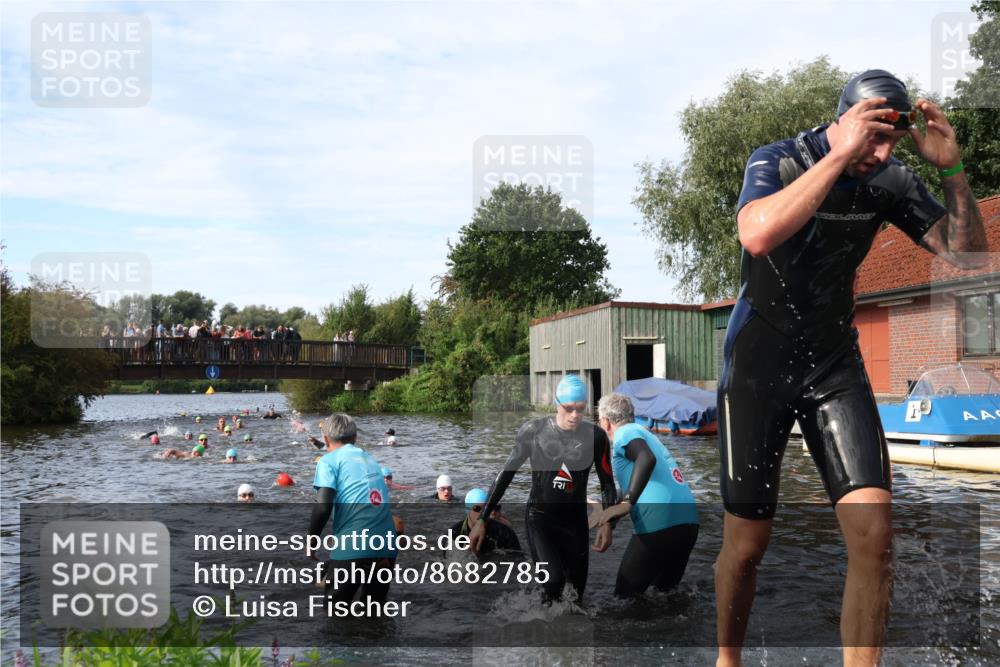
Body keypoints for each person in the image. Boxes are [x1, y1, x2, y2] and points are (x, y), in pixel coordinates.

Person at [716, 69, 987, 667]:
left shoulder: (889, 180)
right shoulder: (781, 159)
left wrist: (950, 169)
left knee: (874, 538)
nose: (883, 154)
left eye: (894, 140)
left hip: (832, 362)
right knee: (747, 545)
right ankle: (726, 660)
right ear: (844, 120)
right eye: (873, 137)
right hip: (758, 361)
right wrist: (837, 158)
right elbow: (755, 234)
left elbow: (969, 254)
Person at [469, 374, 617, 603]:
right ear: (557, 404)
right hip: (540, 518)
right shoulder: (534, 431)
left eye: (581, 409)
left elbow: (607, 482)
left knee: (576, 594)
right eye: (569, 409)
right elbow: (506, 474)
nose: (575, 415)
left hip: (575, 521)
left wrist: (608, 523)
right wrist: (482, 520)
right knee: (553, 582)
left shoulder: (596, 436)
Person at [594, 393, 698, 597]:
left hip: (660, 524)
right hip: (688, 524)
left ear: (605, 422)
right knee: (666, 598)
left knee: (623, 600)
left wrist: (628, 502)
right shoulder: (645, 434)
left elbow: (645, 458)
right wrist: (609, 523)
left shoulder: (624, 433)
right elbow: (640, 479)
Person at [307, 413, 397, 607]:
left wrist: (311, 540)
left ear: (325, 439)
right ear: (355, 438)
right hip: (387, 546)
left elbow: (323, 506)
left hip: (354, 545)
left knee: (334, 615)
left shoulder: (328, 461)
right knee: (374, 612)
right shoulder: (370, 458)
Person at [452, 489, 521, 556]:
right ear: (467, 511)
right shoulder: (454, 533)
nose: (482, 513)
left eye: (485, 509)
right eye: (477, 509)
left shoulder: (504, 533)